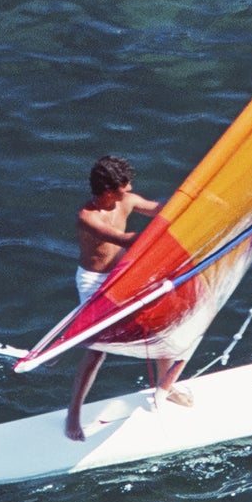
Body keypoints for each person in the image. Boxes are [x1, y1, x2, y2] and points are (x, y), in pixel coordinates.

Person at [65, 155, 192, 439]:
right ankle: (73, 415)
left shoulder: (127, 199)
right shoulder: (87, 217)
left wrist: (192, 204)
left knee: (161, 323)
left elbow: (159, 209)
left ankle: (164, 385)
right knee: (97, 350)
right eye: (125, 185)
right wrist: (166, 232)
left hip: (125, 273)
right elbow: (126, 240)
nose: (130, 188)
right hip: (95, 281)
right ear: (109, 190)